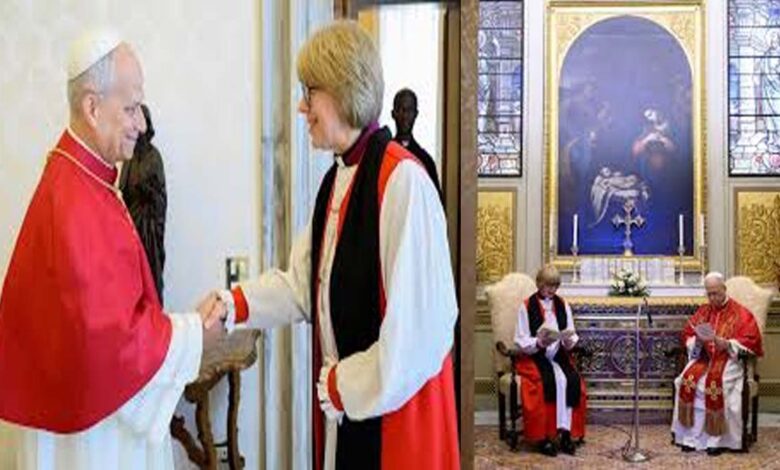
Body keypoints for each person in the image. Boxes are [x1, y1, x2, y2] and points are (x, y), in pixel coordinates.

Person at [213, 21, 459, 470]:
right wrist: (232, 304)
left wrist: (343, 385)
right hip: (348, 414)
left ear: (343, 90)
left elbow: (422, 330)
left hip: (395, 424)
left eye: (310, 92)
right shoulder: (337, 179)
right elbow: (304, 285)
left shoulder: (403, 181)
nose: (301, 106)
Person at [0, 30, 224, 469]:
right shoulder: (74, 198)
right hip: (93, 443)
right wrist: (195, 331)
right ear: (92, 107)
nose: (140, 124)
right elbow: (114, 345)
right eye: (131, 108)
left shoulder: (83, 178)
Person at [671, 272, 763, 455]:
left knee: (713, 384)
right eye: (709, 294)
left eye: (716, 293)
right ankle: (690, 437)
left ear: (724, 289)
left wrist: (728, 344)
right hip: (704, 359)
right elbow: (688, 334)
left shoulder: (741, 313)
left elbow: (751, 342)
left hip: (729, 361)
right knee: (685, 380)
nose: (712, 298)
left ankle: (716, 440)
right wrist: (696, 341)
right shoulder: (704, 311)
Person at [513, 265, 587, 456]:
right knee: (544, 384)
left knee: (572, 381)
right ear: (539, 283)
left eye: (555, 286)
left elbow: (571, 332)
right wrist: (538, 342)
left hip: (558, 356)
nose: (552, 290)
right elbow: (520, 339)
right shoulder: (526, 306)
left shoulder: (563, 304)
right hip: (534, 358)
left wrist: (568, 340)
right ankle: (544, 437)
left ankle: (566, 435)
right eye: (548, 286)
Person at [119, 104, 167, 303]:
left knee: (150, 272)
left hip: (149, 227)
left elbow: (160, 196)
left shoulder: (153, 156)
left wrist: (146, 190)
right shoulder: (129, 159)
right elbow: (122, 189)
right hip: (132, 224)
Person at [391, 88, 442, 200]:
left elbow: (435, 203)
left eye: (409, 110)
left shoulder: (426, 161)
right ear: (393, 114)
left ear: (416, 114)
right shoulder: (384, 155)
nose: (405, 116)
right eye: (401, 109)